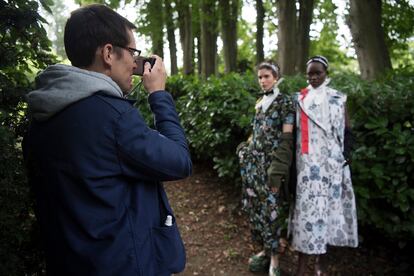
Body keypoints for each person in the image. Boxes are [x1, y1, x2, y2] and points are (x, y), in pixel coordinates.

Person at [22, 4, 192, 276]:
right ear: (109, 53)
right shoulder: (113, 118)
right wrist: (159, 95)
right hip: (121, 264)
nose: (135, 64)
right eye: (133, 53)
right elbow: (179, 161)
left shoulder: (42, 113)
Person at [290, 56, 358, 275]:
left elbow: (347, 130)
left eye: (317, 73)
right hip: (307, 167)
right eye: (310, 73)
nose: (313, 77)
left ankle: (321, 262)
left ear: (326, 73)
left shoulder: (337, 99)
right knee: (306, 213)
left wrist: (345, 155)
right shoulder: (300, 98)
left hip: (331, 166)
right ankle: (301, 264)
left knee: (326, 213)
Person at [237, 62, 295, 276]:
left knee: (272, 212)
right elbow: (255, 132)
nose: (262, 80)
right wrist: (245, 148)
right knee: (256, 210)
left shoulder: (285, 102)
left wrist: (278, 171)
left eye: (266, 76)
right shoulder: (260, 102)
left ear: (276, 77)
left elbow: (287, 139)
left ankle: (275, 261)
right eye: (260, 77)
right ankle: (264, 250)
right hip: (253, 167)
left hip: (271, 168)